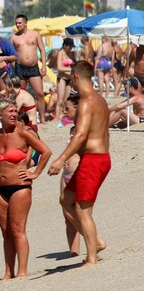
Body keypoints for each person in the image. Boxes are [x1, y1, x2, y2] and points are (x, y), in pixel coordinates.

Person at [48, 61, 111, 266]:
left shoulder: (85, 102)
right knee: (66, 199)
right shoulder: (100, 99)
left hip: (93, 160)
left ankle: (91, 257)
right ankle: (97, 242)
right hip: (97, 159)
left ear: (75, 77)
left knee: (84, 210)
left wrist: (61, 159)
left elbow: (80, 134)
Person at [0, 99, 52, 279]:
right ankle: (8, 272)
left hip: (20, 187)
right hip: (0, 189)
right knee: (6, 232)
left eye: (15, 111)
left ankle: (22, 272)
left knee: (18, 230)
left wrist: (35, 173)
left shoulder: (23, 133)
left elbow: (45, 151)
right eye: (9, 111)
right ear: (0, 115)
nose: (13, 114)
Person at [10, 14, 48, 121]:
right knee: (20, 94)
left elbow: (42, 50)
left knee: (40, 93)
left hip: (33, 67)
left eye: (19, 23)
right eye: (16, 23)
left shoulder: (35, 34)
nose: (17, 25)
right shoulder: (13, 38)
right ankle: (20, 118)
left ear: (26, 23)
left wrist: (44, 66)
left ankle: (42, 118)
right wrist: (12, 69)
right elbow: (10, 55)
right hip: (20, 68)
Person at [58, 96, 83, 257]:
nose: (65, 112)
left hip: (78, 174)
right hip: (65, 175)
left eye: (68, 108)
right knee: (67, 216)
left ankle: (92, 239)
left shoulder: (84, 128)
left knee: (78, 213)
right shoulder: (73, 129)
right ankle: (73, 253)